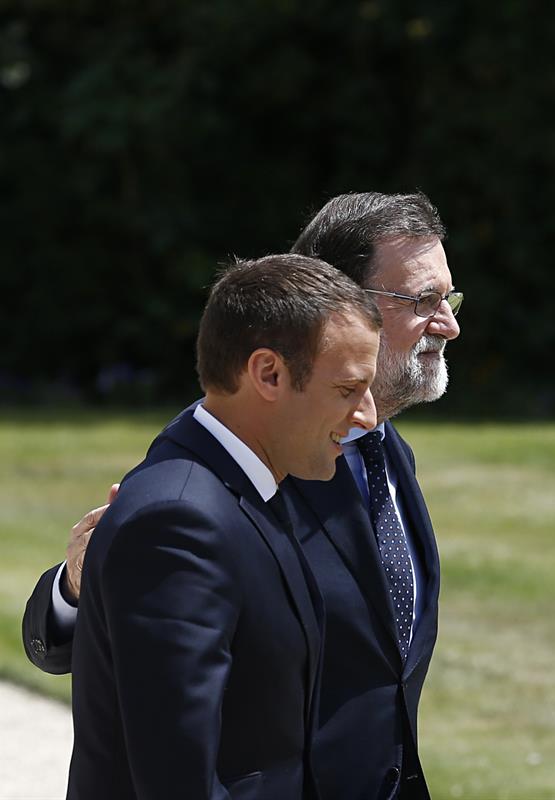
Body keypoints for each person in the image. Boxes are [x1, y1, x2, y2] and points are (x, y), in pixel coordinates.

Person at [23, 192, 460, 800]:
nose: (449, 323)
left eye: (448, 297)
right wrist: (76, 589)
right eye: (423, 300)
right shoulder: (225, 471)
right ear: (337, 298)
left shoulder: (391, 456)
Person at [67, 254, 382, 799]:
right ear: (268, 373)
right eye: (348, 390)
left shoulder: (248, 486)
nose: (367, 415)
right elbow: (179, 783)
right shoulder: (180, 521)